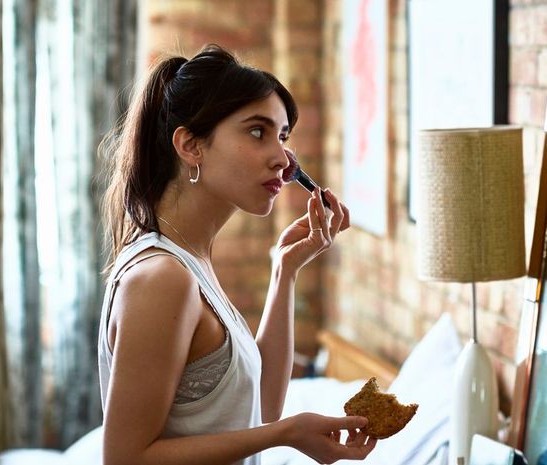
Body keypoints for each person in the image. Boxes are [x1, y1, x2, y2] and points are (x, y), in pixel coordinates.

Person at [97, 44, 376, 465]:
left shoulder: (190, 262)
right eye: (257, 131)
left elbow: (259, 411)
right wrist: (285, 434)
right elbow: (126, 459)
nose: (283, 159)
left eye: (283, 136)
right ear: (191, 146)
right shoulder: (162, 278)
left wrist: (286, 270)